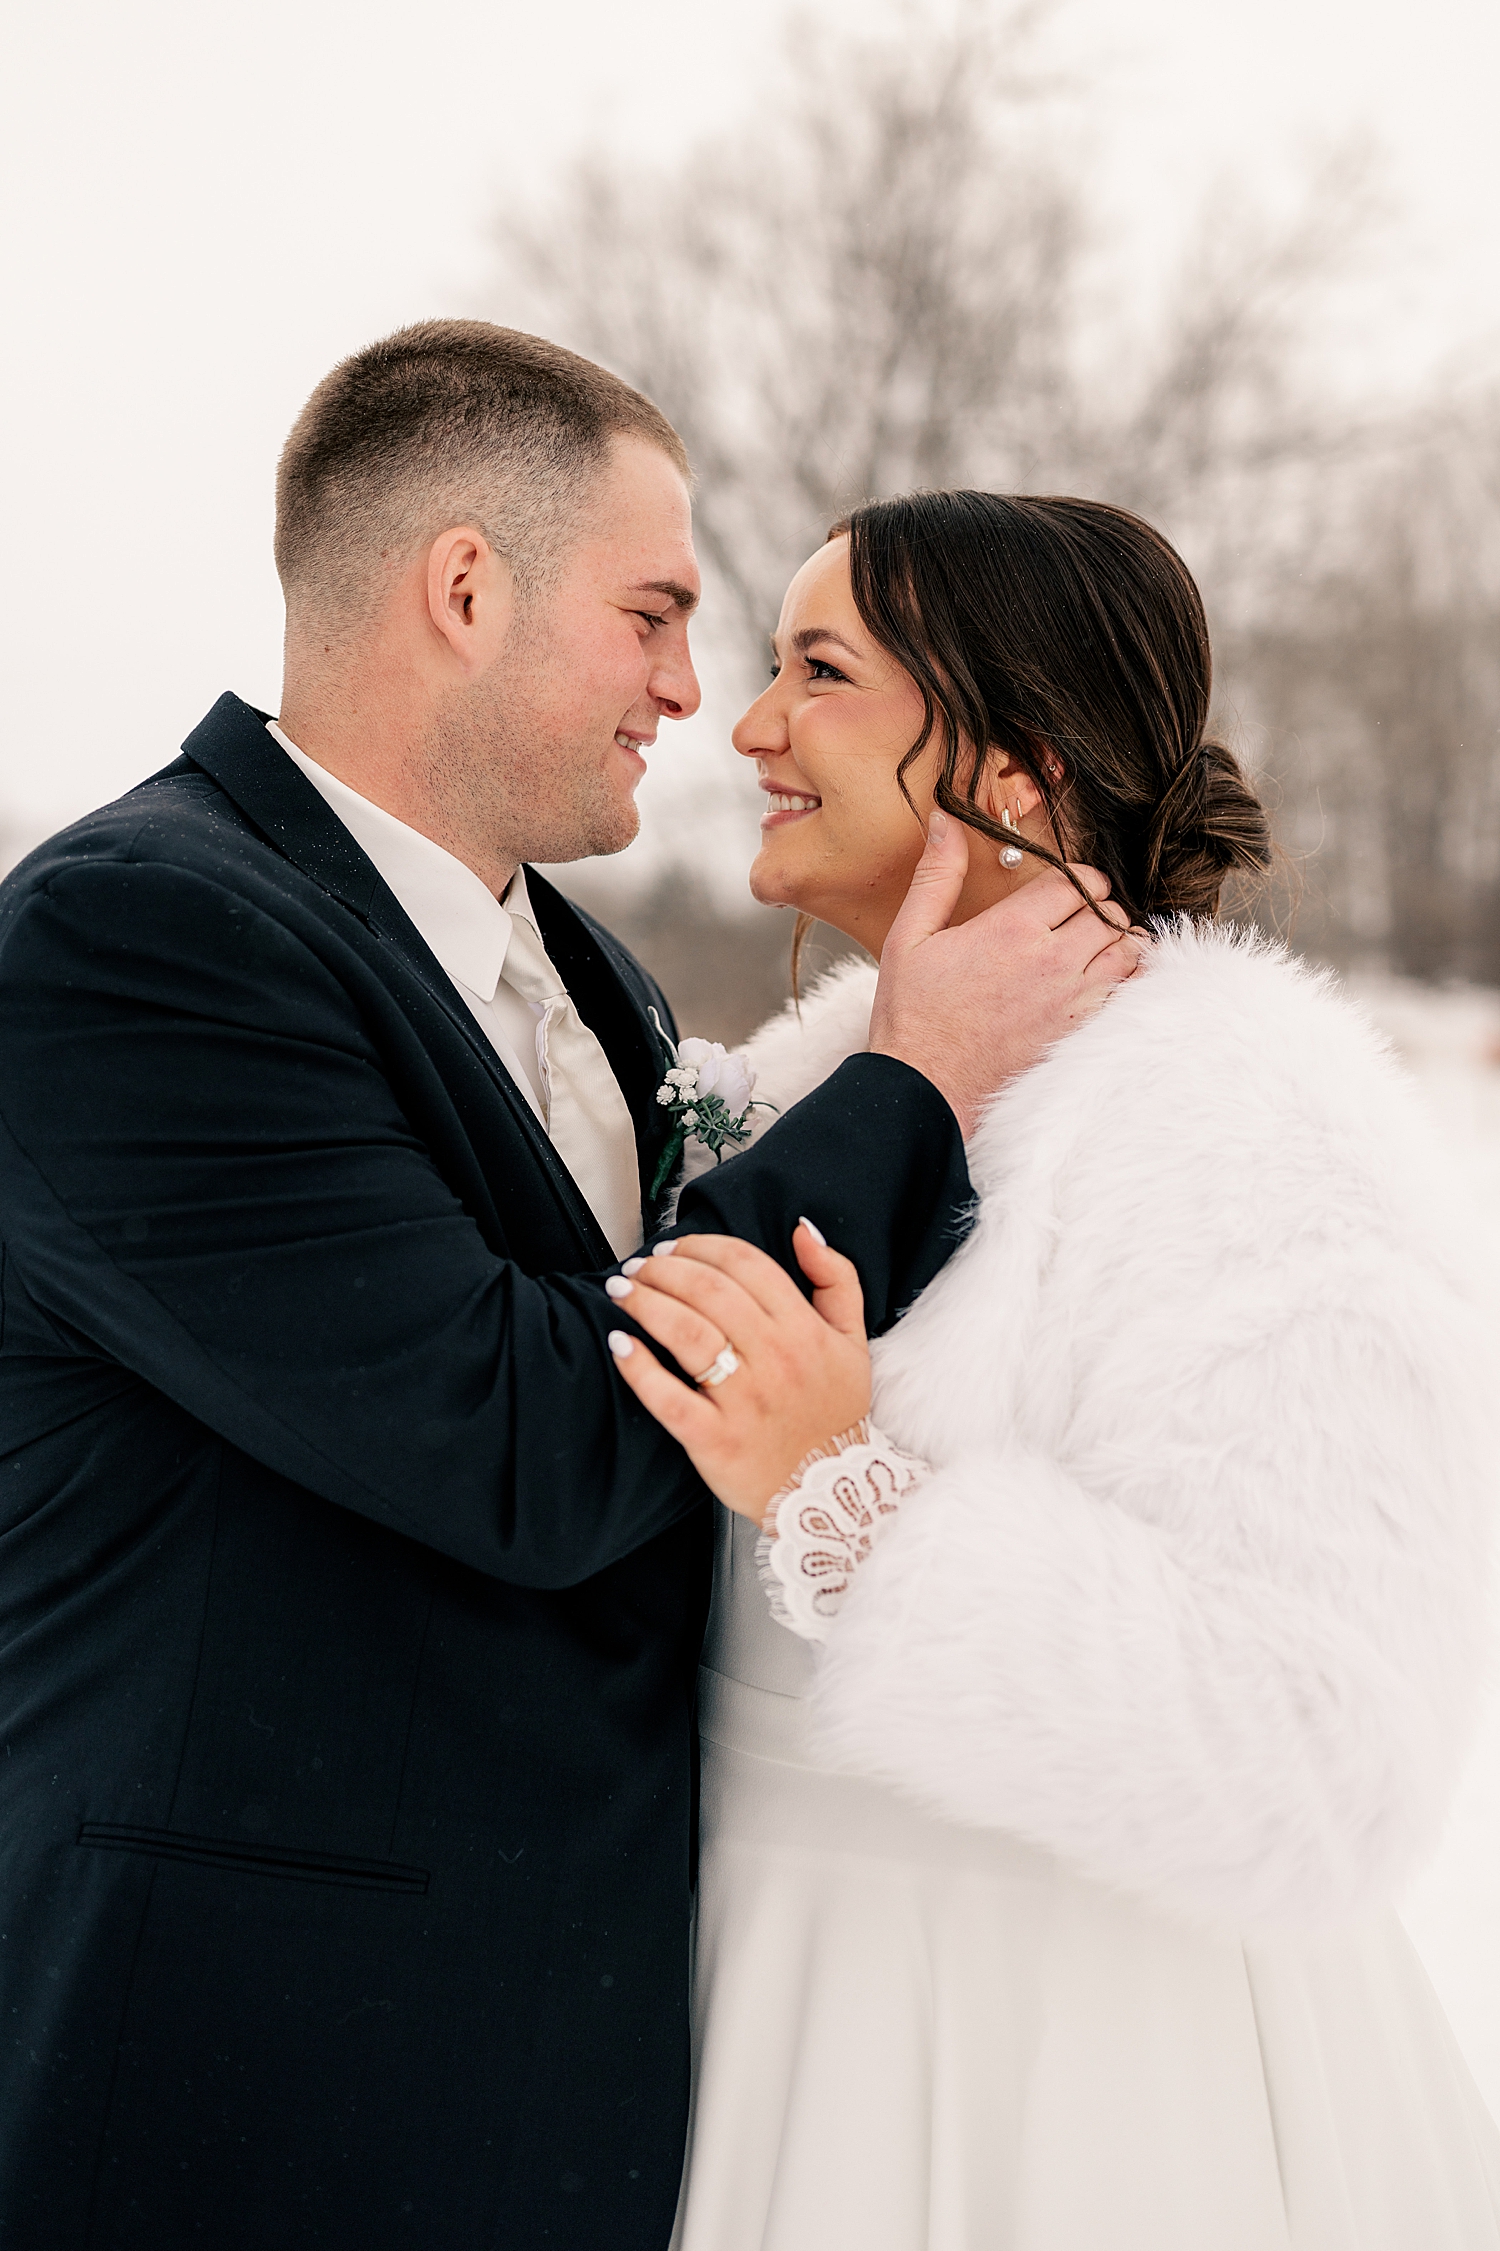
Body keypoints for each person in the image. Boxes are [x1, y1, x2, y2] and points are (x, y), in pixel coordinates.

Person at [0, 330, 1141, 2250]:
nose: (693, 695)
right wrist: (920, 1081)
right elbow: (532, 1437)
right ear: (465, 590)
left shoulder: (598, 986)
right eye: (653, 615)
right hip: (238, 2088)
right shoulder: (133, 941)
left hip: (560, 2079)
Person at [606, 491, 1500, 2249]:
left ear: (1012, 769)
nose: (750, 722)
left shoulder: (1248, 1138)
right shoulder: (798, 1107)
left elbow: (1330, 1755)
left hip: (1079, 2080)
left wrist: (846, 1506)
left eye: (821, 671)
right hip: (754, 2033)